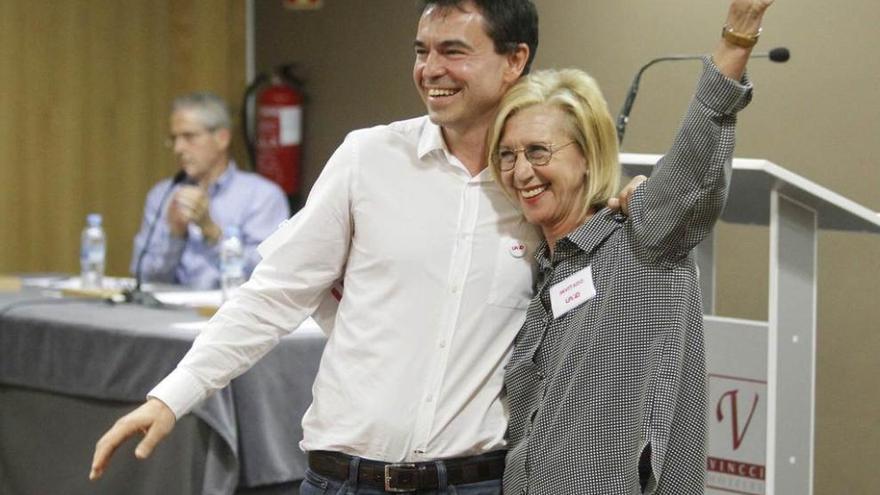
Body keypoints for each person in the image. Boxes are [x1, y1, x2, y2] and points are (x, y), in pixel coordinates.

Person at [92, 2, 541, 493]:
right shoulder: (368, 158)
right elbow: (274, 294)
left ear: (515, 60)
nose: (431, 69)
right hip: (345, 480)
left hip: (477, 482)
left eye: (453, 51)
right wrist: (171, 398)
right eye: (421, 51)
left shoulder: (543, 186)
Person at [488, 0, 774, 493]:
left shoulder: (641, 241)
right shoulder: (543, 272)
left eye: (538, 151)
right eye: (507, 155)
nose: (521, 172)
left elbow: (693, 164)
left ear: (587, 155)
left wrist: (736, 39)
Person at [131, 92, 289, 289]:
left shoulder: (262, 197)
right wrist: (175, 236)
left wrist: (211, 232)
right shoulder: (162, 195)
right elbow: (144, 278)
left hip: (232, 313)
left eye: (189, 136)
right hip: (170, 313)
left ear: (222, 139)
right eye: (174, 138)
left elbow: (270, 276)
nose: (178, 148)